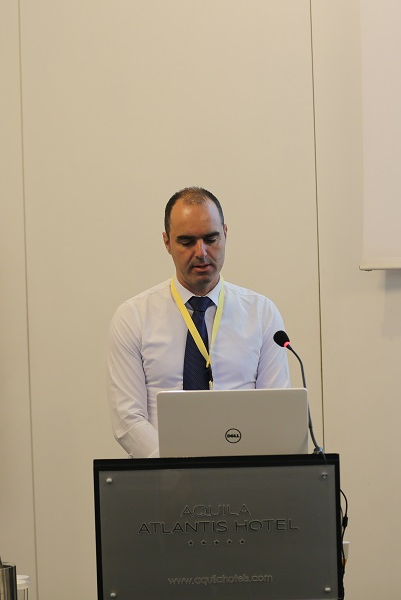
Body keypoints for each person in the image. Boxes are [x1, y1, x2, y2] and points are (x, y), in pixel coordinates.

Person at [107, 187, 291, 458]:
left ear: (225, 234)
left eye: (211, 238)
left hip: (243, 471)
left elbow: (275, 411)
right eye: (186, 242)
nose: (202, 252)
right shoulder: (133, 317)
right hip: (163, 473)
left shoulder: (262, 314)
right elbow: (128, 420)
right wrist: (177, 469)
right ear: (167, 242)